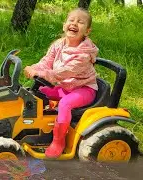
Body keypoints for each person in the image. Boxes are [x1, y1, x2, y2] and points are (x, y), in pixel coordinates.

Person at [23, 8, 99, 158]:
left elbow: (65, 72)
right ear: (64, 25)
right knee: (40, 91)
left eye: (80, 22)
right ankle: (33, 127)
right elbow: (47, 62)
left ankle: (59, 141)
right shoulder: (59, 44)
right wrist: (35, 68)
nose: (75, 23)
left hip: (84, 89)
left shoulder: (84, 54)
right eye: (71, 20)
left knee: (65, 103)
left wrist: (42, 73)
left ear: (87, 31)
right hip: (66, 87)